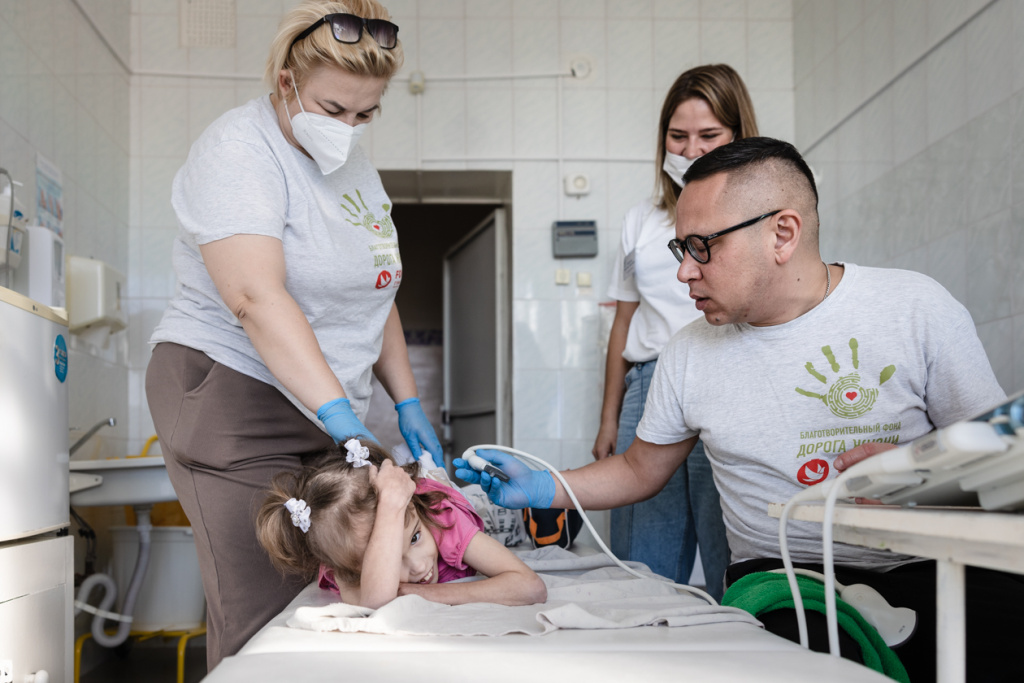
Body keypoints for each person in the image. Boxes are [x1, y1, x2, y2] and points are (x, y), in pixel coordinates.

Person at [458, 137, 1024, 682]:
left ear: (782, 233)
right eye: (682, 250)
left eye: (702, 246)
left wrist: (918, 473)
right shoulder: (687, 352)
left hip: (927, 565)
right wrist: (543, 487)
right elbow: (639, 469)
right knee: (807, 658)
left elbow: (1002, 463)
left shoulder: (914, 309)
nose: (684, 271)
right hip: (782, 579)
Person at [145, 0, 444, 667]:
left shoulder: (352, 171)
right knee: (267, 611)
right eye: (334, 109)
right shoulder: (237, 149)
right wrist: (340, 413)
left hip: (318, 406)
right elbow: (254, 296)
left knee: (336, 597)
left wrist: (407, 403)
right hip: (234, 392)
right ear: (286, 80)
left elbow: (377, 290)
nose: (349, 127)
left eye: (366, 114)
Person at [593, 64, 757, 599]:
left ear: (737, 135)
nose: (690, 150)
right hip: (650, 382)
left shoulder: (761, 216)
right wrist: (610, 419)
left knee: (730, 549)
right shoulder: (642, 220)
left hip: (729, 378)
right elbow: (624, 320)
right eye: (678, 136)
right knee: (644, 560)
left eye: (709, 136)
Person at [257, 439, 547, 609]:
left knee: (506, 517)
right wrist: (392, 518)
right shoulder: (343, 549)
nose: (419, 567)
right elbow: (376, 602)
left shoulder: (437, 517)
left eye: (414, 539)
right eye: (393, 560)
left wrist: (426, 593)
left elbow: (530, 588)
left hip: (448, 502)